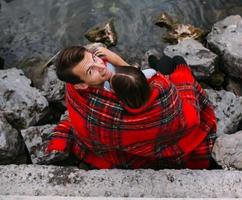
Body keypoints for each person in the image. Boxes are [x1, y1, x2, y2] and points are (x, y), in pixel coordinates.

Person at [46, 45, 217, 169]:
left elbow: (129, 79)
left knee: (164, 63)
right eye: (91, 71)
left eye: (95, 58)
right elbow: (189, 117)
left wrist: (109, 58)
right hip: (146, 93)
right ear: (81, 85)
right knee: (175, 63)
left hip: (138, 86)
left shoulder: (76, 91)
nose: (101, 66)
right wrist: (169, 78)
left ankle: (158, 64)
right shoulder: (120, 107)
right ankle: (163, 65)